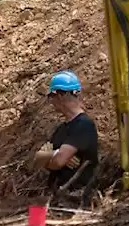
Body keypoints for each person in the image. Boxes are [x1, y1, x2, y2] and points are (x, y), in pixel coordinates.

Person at [30, 71, 102, 202]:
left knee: (36, 212)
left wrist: (53, 157)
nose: (50, 101)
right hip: (56, 196)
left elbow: (57, 162)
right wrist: (56, 153)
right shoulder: (61, 129)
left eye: (51, 96)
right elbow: (38, 159)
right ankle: (36, 222)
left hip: (74, 199)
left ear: (60, 96)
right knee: (34, 214)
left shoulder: (83, 125)